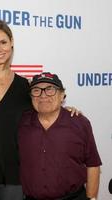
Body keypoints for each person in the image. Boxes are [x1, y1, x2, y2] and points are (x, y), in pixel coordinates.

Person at [0, 20, 79, 200]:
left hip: (14, 175)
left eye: (3, 42)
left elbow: (42, 113)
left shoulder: (25, 86)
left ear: (11, 42)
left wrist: (65, 111)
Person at [18, 72, 102, 200]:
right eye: (36, 90)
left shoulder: (79, 123)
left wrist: (92, 198)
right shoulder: (20, 123)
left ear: (62, 95)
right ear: (31, 97)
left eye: (50, 90)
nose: (43, 95)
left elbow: (93, 164)